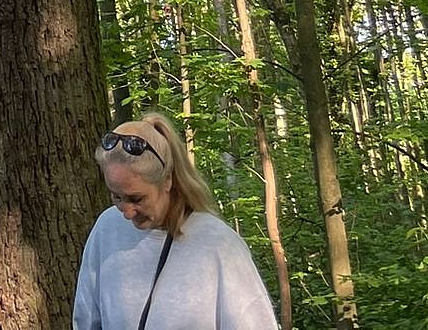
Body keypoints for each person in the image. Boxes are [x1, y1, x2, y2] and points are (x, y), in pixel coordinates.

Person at [73, 114, 278, 330]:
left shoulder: (218, 244)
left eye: (136, 199)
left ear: (167, 180)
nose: (127, 212)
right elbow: (86, 321)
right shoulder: (107, 228)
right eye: (116, 196)